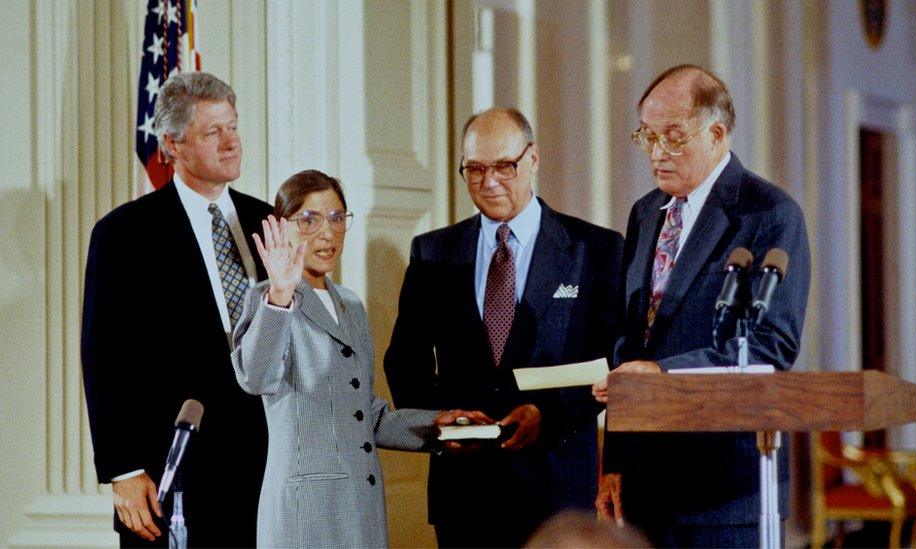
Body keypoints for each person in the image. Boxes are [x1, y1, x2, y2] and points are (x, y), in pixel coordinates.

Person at [591, 64, 811, 547]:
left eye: (672, 137)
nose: (656, 154)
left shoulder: (768, 213)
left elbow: (770, 345)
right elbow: (631, 343)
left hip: (726, 487)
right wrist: (616, 465)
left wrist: (663, 374)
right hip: (646, 487)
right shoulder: (646, 214)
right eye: (646, 136)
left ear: (716, 133)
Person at [383, 107, 624, 547]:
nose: (489, 181)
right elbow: (404, 360)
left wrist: (547, 415)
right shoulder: (433, 252)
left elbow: (611, 361)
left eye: (503, 166)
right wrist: (438, 423)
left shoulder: (596, 249)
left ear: (533, 158)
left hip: (558, 490)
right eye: (474, 169)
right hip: (464, 493)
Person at [231, 169, 491, 548]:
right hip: (306, 510)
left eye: (337, 218)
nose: (327, 233)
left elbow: (362, 413)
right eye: (309, 219)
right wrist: (281, 297)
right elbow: (254, 379)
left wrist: (437, 425)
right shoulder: (267, 299)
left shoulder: (350, 304)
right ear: (282, 228)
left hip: (359, 504)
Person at [81, 72, 270, 547]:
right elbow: (104, 356)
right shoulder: (124, 234)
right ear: (172, 144)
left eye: (233, 126)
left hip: (272, 466)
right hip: (176, 472)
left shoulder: (267, 221)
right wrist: (123, 469)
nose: (231, 143)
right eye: (213, 132)